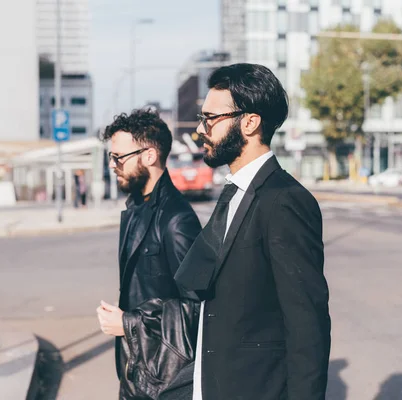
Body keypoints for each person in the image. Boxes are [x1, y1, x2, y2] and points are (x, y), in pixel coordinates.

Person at [174, 63, 331, 400]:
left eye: (210, 119)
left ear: (249, 121)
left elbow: (308, 326)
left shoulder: (285, 201)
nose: (202, 130)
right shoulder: (233, 193)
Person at [96, 109, 202, 400]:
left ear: (150, 156)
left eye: (119, 157)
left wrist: (128, 322)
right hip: (135, 368)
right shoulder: (135, 208)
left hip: (164, 378)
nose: (113, 165)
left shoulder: (177, 219)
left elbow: (197, 308)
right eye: (111, 157)